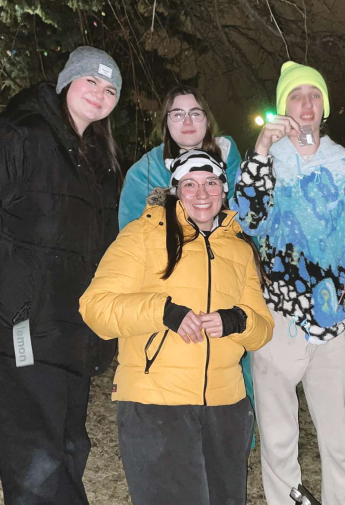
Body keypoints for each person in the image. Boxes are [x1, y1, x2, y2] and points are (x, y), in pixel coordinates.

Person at [0, 46, 123, 504]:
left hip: (69, 331)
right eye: (90, 81)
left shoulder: (101, 162)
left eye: (110, 88)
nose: (99, 94)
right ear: (66, 82)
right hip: (12, 324)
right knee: (35, 464)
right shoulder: (17, 134)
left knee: (72, 447)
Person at [79, 148, 273, 505]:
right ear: (176, 190)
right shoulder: (143, 234)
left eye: (211, 183)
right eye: (190, 184)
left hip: (226, 407)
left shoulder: (240, 248)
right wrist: (164, 312)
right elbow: (95, 308)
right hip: (157, 403)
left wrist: (236, 320)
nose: (202, 194)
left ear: (224, 188)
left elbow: (263, 328)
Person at [233, 61, 345, 505]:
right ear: (284, 107)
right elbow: (247, 218)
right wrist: (260, 148)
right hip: (277, 322)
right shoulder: (267, 163)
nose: (307, 104)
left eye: (314, 96)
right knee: (278, 440)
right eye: (297, 96)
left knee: (337, 441)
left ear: (324, 106)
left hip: (333, 326)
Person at [118, 85, 241, 230]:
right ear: (166, 123)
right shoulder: (144, 173)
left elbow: (246, 219)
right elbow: (131, 234)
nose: (187, 121)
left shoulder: (228, 158)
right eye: (178, 115)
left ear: (207, 120)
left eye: (195, 114)